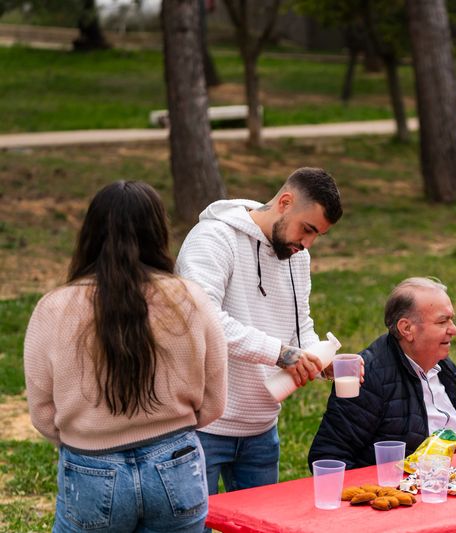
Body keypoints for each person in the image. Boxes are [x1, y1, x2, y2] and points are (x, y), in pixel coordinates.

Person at [24, 181, 228, 532]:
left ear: (90, 233)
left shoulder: (53, 309)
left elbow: (42, 413)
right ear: (158, 231)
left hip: (90, 467)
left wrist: (88, 433)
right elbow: (214, 401)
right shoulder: (191, 299)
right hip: (176, 463)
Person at [176, 167, 343, 495]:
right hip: (201, 427)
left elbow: (300, 325)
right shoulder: (213, 239)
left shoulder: (297, 257)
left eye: (316, 236)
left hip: (262, 429)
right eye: (306, 229)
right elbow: (202, 320)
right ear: (284, 202)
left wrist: (321, 358)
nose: (307, 243)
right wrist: (280, 354)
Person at [308, 277, 456, 470]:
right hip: (394, 493)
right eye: (442, 321)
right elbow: (329, 457)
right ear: (406, 329)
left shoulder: (446, 369)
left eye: (451, 319)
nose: (454, 330)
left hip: (449, 484)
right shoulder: (368, 375)